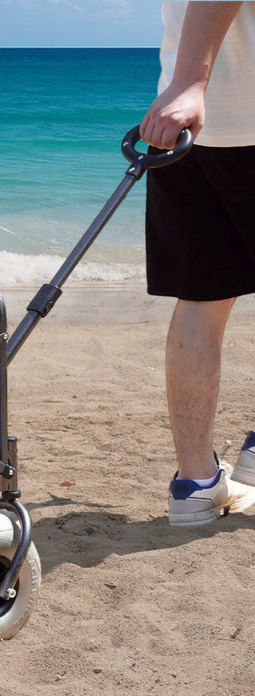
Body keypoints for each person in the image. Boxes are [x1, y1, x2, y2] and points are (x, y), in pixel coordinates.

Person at [140, 1, 255, 526]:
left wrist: (185, 86)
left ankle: (197, 484)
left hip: (191, 128)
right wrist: (191, 82)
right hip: (210, 105)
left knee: (202, 300)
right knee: (201, 300)